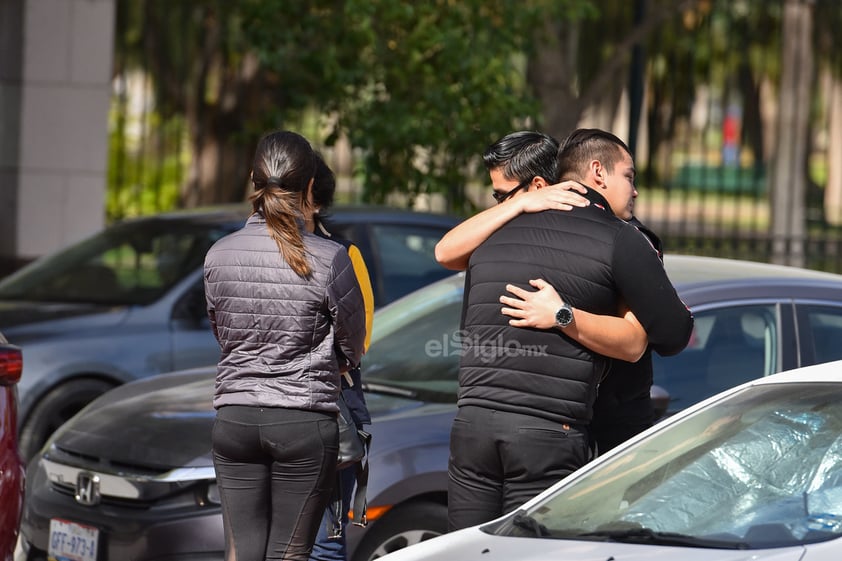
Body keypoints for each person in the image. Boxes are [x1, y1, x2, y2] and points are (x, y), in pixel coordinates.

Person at [445, 130, 693, 531]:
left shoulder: (492, 237)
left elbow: (446, 253)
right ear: (598, 172)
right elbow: (657, 337)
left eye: (505, 195)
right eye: (629, 177)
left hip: (473, 423)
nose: (635, 192)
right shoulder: (619, 239)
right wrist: (564, 315)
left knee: (468, 548)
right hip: (562, 431)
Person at [204, 130, 367, 561]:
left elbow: (222, 332)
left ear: (253, 180)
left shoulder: (219, 253)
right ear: (311, 187)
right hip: (303, 420)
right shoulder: (331, 257)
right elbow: (353, 348)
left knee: (241, 553)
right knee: (289, 554)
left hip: (234, 417)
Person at [309, 153, 374, 561]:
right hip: (276, 416)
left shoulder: (344, 255)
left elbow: (357, 343)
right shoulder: (252, 251)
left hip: (334, 412)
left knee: (324, 545)